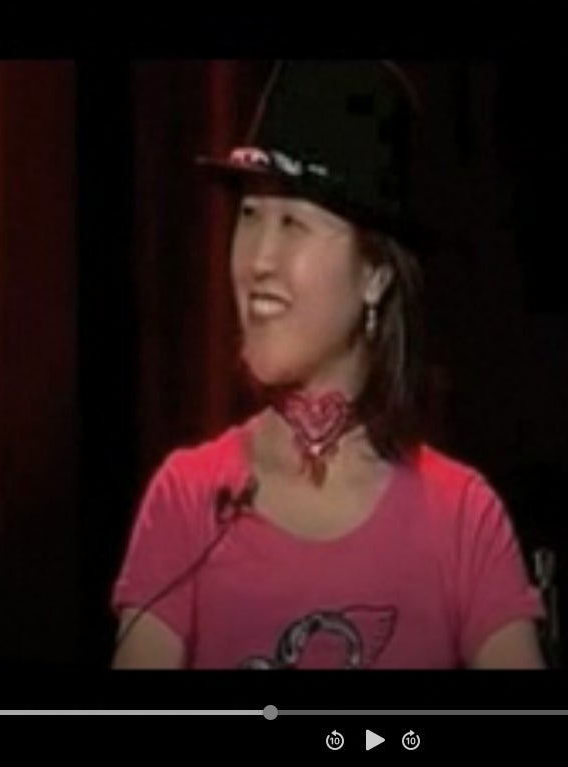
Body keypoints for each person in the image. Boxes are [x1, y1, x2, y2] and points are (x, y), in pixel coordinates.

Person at [111, 61, 545, 669]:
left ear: (376, 275)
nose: (258, 260)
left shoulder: (463, 518)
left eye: (293, 223)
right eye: (249, 216)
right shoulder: (188, 500)